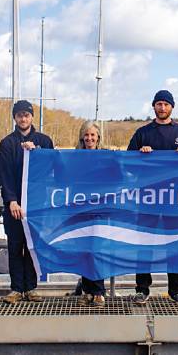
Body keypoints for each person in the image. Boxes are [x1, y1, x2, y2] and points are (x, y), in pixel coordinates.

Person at [127, 89, 178, 305]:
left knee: (174, 244)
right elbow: (128, 161)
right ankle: (142, 289)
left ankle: (176, 289)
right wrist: (140, 154)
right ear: (154, 107)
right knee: (145, 244)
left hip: (174, 198)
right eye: (158, 104)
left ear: (172, 107)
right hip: (148, 197)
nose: (162, 107)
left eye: (166, 104)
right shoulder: (142, 133)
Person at [0, 100, 54, 304]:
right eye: (20, 115)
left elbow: (51, 170)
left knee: (32, 247)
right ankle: (16, 288)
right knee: (15, 246)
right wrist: (11, 200)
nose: (23, 118)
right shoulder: (6, 143)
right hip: (14, 206)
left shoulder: (44, 141)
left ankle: (31, 288)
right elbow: (4, 175)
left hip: (36, 205)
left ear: (32, 117)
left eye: (27, 115)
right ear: (15, 117)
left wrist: (36, 152)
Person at [75, 120, 107, 307]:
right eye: (86, 135)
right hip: (80, 209)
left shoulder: (105, 156)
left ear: (98, 137)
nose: (89, 138)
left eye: (92, 135)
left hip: (100, 210)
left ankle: (99, 292)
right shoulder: (75, 157)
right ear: (82, 137)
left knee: (98, 250)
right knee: (84, 251)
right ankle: (87, 291)